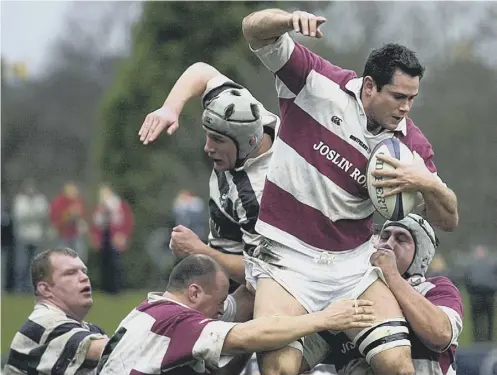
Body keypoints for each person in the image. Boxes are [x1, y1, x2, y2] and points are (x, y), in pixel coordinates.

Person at [241, 8, 459, 375]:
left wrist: (425, 181)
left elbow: (448, 219)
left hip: (352, 266)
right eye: (398, 96)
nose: (406, 108)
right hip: (287, 260)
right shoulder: (315, 81)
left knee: (398, 367)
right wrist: (287, 21)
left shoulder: (410, 145)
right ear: (369, 85)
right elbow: (252, 30)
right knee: (279, 369)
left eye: (412, 98)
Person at [139, 61, 279, 317]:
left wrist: (199, 250)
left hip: (252, 277)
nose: (207, 147)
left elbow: (261, 274)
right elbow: (202, 71)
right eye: (207, 135)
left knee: (213, 327)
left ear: (247, 143)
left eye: (217, 140)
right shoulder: (243, 112)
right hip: (225, 254)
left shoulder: (260, 194)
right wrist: (171, 108)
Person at [95, 254, 375, 375]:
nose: (221, 313)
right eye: (219, 304)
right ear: (194, 293)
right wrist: (324, 319)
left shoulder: (145, 313)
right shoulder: (175, 321)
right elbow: (242, 337)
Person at [302, 214, 463, 375]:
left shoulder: (436, 288)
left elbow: (440, 334)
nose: (388, 244)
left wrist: (391, 274)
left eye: (401, 239)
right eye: (384, 236)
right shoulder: (351, 295)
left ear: (421, 256)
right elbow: (301, 358)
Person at [5, 247, 108, 374]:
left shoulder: (90, 330)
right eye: (70, 273)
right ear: (45, 289)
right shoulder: (44, 324)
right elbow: (111, 351)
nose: (84, 278)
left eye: (83, 271)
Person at [90, 184, 134, 294]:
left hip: (116, 236)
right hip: (105, 236)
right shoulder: (99, 207)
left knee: (116, 263)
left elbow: (126, 221)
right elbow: (96, 224)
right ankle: (105, 288)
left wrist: (124, 235)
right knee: (104, 263)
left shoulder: (119, 205)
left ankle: (117, 288)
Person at [13, 178, 49, 292]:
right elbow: (20, 215)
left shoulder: (40, 199)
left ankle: (31, 288)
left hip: (36, 236)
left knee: (35, 265)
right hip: (23, 236)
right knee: (21, 264)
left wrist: (32, 212)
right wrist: (33, 212)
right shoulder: (20, 200)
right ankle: (20, 288)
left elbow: (44, 213)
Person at [463, 245, 497, 342]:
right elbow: (467, 279)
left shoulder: (475, 265)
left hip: (482, 295)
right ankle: (482, 338)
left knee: (484, 318)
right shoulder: (489, 264)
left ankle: (483, 338)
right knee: (482, 317)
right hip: (480, 295)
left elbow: (467, 280)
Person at [49, 182, 88, 262]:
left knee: (80, 257)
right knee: (63, 258)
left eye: (75, 191)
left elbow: (83, 215)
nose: (74, 193)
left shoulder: (78, 201)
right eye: (71, 191)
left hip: (76, 234)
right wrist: (69, 214)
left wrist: (81, 220)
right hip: (62, 234)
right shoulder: (58, 201)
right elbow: (55, 218)